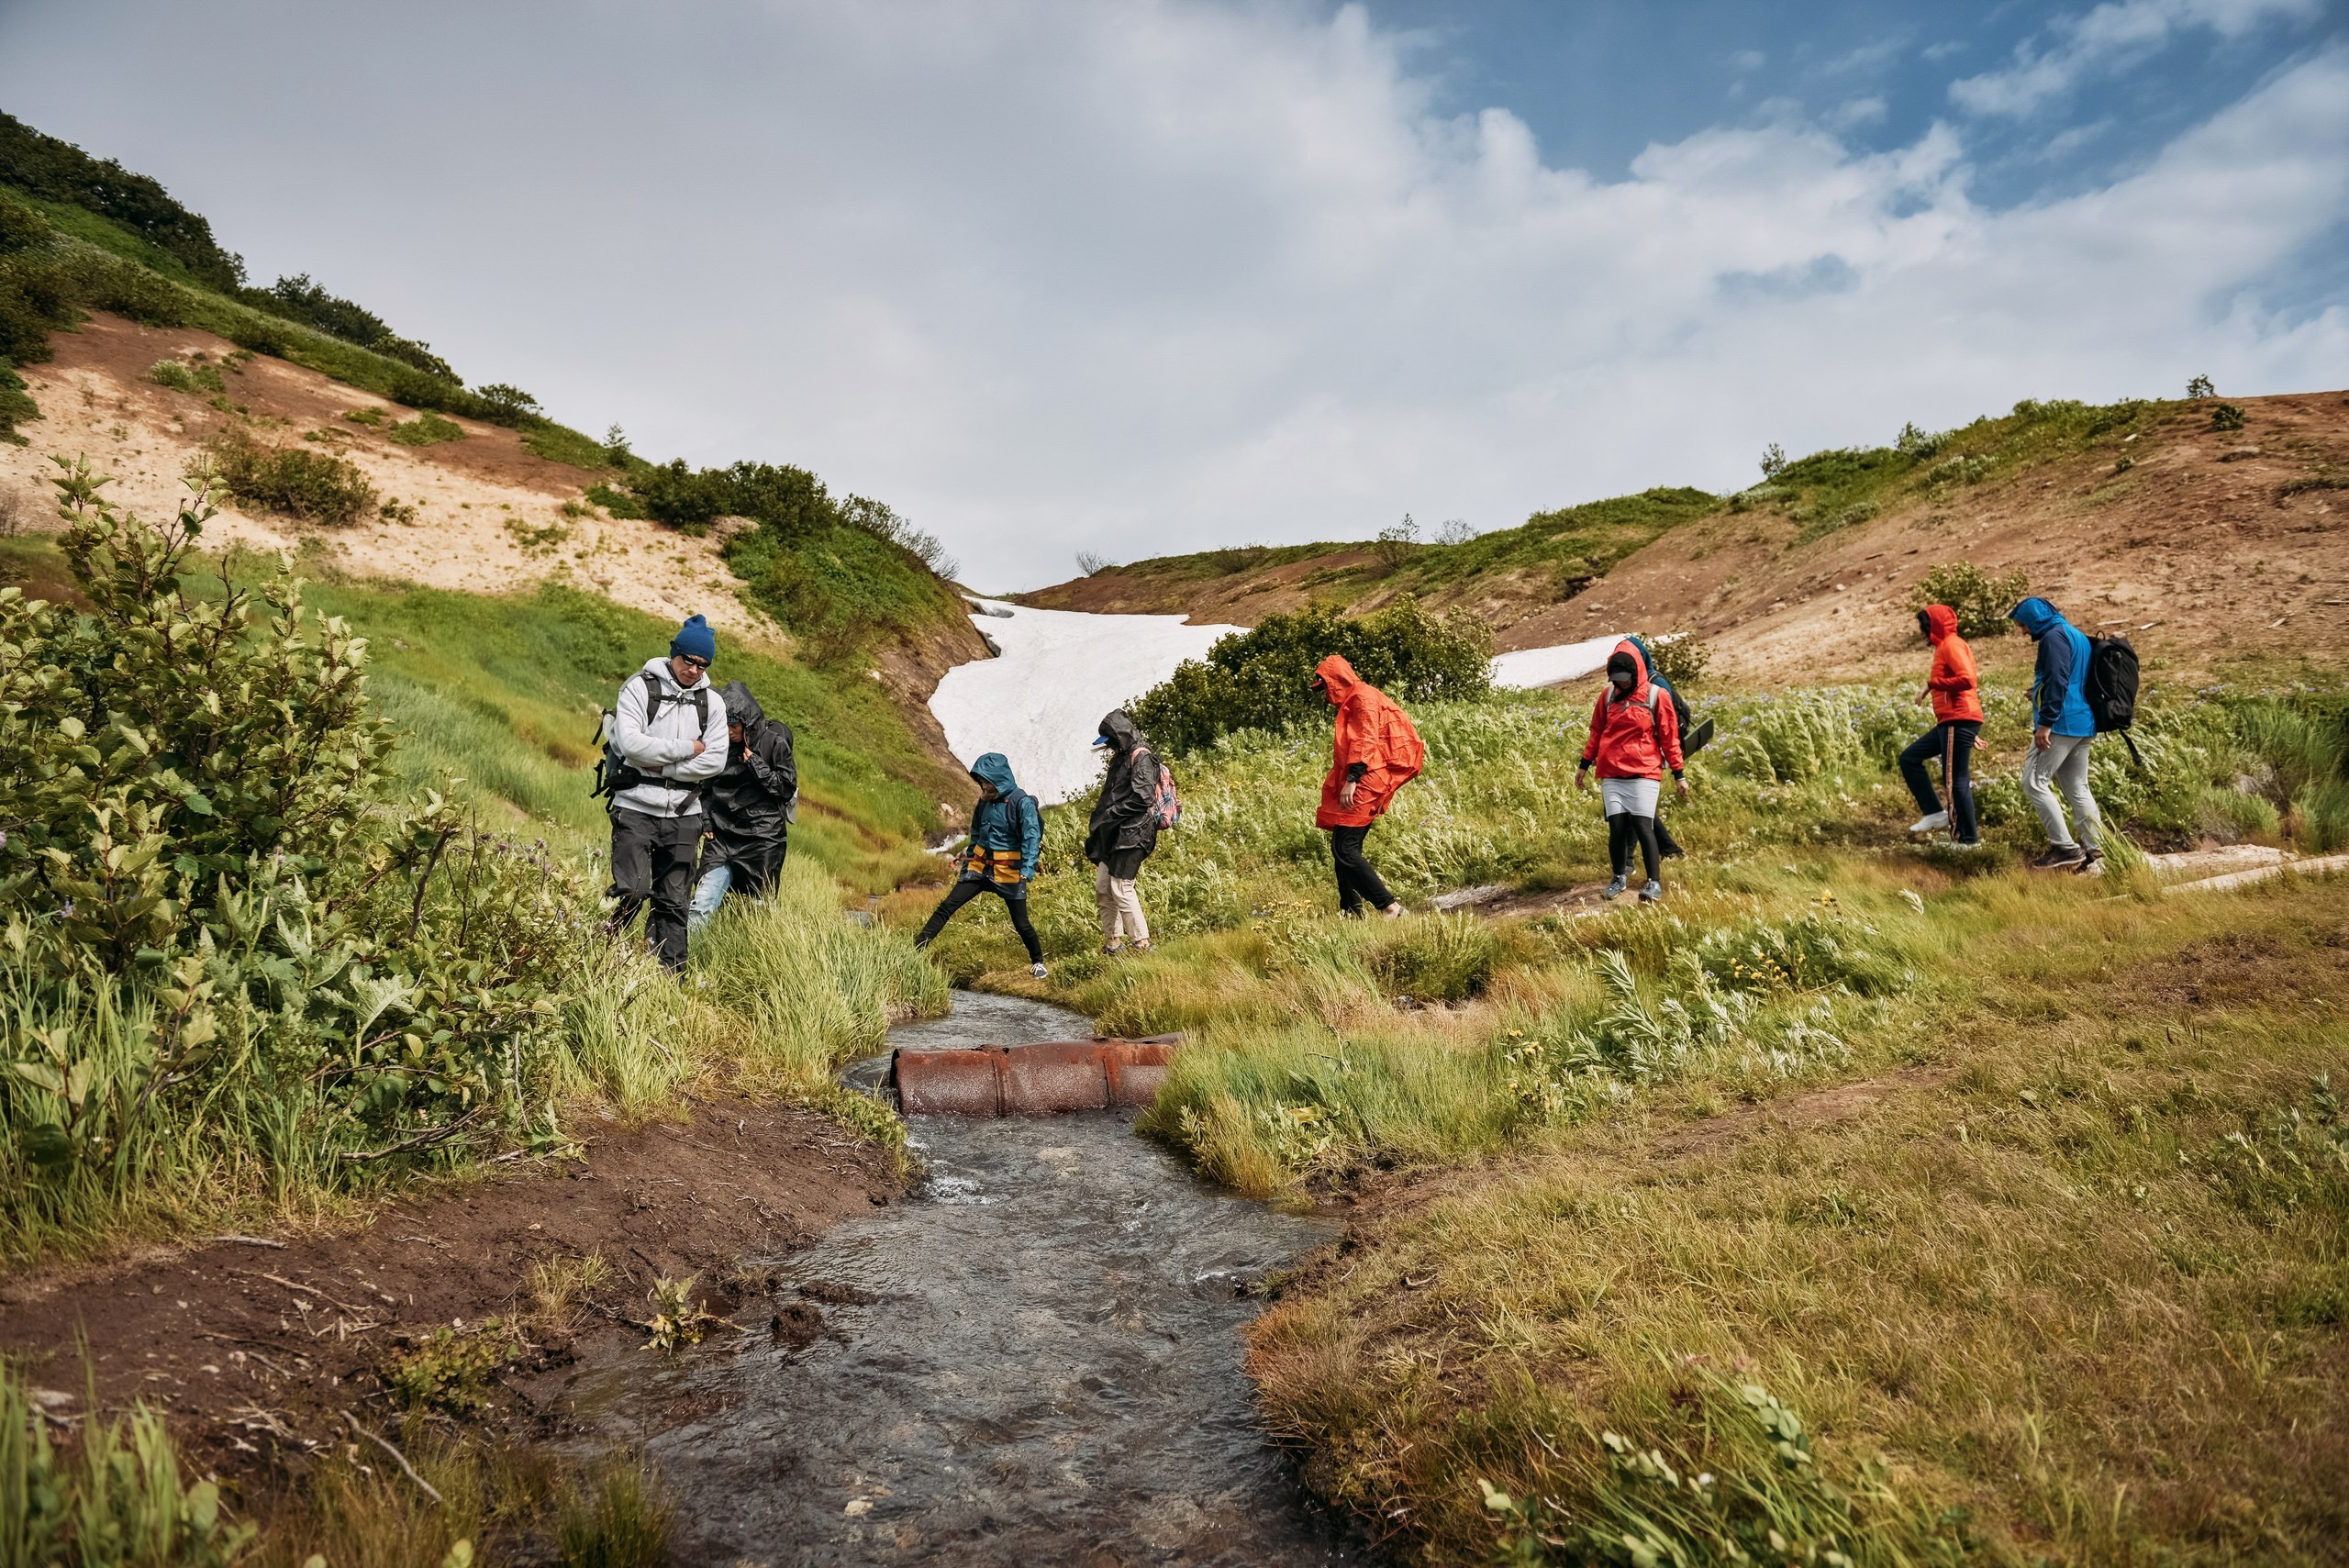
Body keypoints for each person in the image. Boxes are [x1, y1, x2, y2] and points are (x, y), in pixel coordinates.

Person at [606, 614, 729, 970]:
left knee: (674, 903)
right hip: (635, 807)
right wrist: (688, 748)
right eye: (688, 660)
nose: (694, 669)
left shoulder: (713, 703)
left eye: (702, 664)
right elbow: (630, 744)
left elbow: (715, 762)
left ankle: (672, 978)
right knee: (633, 890)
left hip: (684, 813)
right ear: (674, 652)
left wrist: (663, 764)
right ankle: (599, 953)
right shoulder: (639, 688)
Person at [914, 752, 1048, 978]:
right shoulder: (983, 802)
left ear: (999, 779)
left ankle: (1038, 962)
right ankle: (915, 949)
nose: (983, 786)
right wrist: (967, 867)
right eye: (981, 781)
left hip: (1009, 872)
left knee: (1022, 923)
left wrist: (1027, 869)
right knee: (946, 907)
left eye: (987, 781)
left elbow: (1031, 837)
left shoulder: (1021, 802)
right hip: (979, 868)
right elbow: (976, 835)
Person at [1311, 656, 1425, 918]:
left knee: (1345, 849)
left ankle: (1391, 908)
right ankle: (1351, 912)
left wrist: (1353, 778)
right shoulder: (1357, 697)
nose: (1326, 695)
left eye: (1326, 687)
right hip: (1364, 775)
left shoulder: (1363, 698)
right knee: (1344, 848)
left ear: (1337, 680)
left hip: (1366, 778)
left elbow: (1366, 738)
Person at [686, 680, 797, 934]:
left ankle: (761, 955)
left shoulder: (773, 744)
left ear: (748, 724)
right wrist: (706, 821)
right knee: (702, 902)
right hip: (722, 836)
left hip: (763, 837)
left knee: (761, 909)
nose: (728, 732)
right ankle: (682, 960)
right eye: (723, 725)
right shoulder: (717, 745)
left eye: (734, 726)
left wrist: (756, 765)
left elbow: (785, 788)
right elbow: (703, 788)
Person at [1575, 648, 1687, 902]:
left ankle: (1653, 883)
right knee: (1616, 827)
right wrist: (1584, 765)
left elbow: (1669, 738)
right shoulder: (1607, 697)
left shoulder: (1656, 695)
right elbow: (1596, 733)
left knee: (1643, 826)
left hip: (1644, 771)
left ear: (1636, 673)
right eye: (1616, 678)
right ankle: (1618, 878)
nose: (1621, 682)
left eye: (1625, 677)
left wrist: (1679, 774)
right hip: (1612, 772)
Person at [2010, 595, 2104, 873]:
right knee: (2077, 787)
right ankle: (2097, 850)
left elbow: (2060, 680)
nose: (2024, 631)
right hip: (2082, 722)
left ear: (2035, 618)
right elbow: (2069, 679)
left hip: (2061, 724)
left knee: (2034, 782)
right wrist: (2037, 691)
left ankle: (2064, 847)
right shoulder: (2075, 634)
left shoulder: (2053, 637)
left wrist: (2046, 724)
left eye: (2024, 624)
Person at [1899, 605, 1985, 847]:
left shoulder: (1951, 645)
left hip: (1958, 720)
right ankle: (1934, 813)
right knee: (1909, 758)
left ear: (1933, 625)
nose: (1922, 632)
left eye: (1924, 626)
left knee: (1955, 780)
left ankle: (1968, 842)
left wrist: (1932, 684)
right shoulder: (1945, 646)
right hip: (1953, 721)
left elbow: (1967, 679)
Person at [1085, 710, 1163, 953]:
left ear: (1119, 736)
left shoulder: (1142, 758)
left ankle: (1142, 944)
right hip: (1114, 835)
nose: (1108, 747)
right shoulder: (1122, 756)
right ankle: (1113, 943)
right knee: (1103, 887)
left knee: (1121, 887)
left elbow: (1143, 797)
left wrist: (1111, 814)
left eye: (1110, 741)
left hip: (1134, 833)